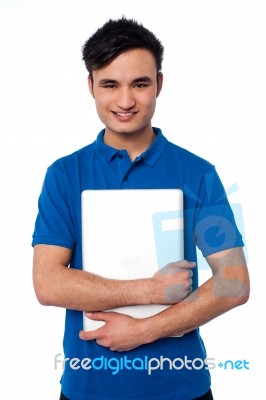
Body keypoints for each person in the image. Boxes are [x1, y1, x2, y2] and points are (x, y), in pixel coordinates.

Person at [32, 17, 250, 400]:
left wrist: (144, 330)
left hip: (180, 387)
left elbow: (234, 283)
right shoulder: (64, 175)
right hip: (89, 386)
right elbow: (48, 284)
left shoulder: (198, 174)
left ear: (159, 85)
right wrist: (151, 289)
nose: (126, 101)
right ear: (91, 86)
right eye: (110, 85)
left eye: (140, 84)